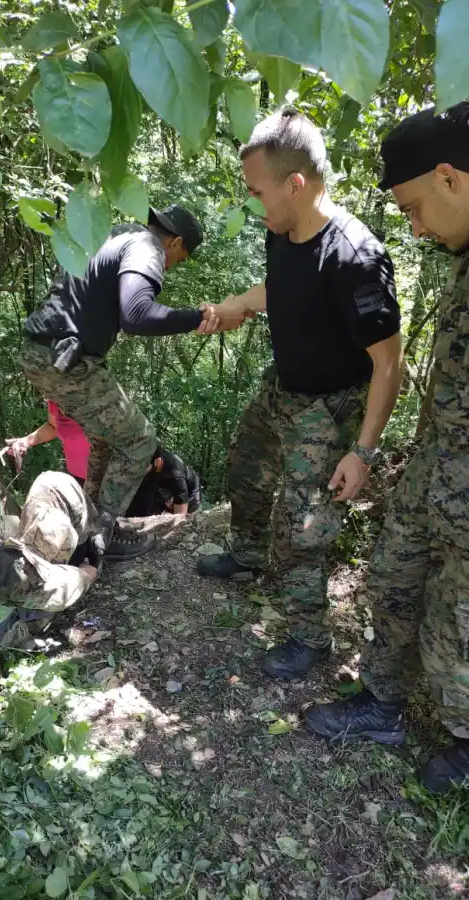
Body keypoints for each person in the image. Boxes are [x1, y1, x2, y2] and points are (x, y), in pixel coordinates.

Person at [197, 109, 404, 680]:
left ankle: (310, 638)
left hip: (329, 406)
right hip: (281, 386)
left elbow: (390, 364)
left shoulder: (356, 259)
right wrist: (236, 306)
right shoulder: (282, 228)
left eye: (257, 191)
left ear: (296, 184)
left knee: (304, 527)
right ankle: (244, 556)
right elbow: (279, 285)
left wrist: (361, 453)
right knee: (244, 468)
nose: (254, 203)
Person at [304, 103, 469, 794]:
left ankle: (465, 742)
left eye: (414, 208)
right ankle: (382, 701)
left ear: (450, 177)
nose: (415, 226)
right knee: (394, 573)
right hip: (441, 462)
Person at [17, 206, 217, 556]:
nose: (172, 266)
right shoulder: (147, 246)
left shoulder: (115, 234)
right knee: (140, 439)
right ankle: (99, 540)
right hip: (64, 357)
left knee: (106, 437)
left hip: (43, 351)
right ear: (176, 242)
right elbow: (136, 314)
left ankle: (87, 527)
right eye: (180, 259)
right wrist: (197, 319)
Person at [0, 470, 153, 648]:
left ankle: (97, 539)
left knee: (52, 483)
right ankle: (89, 558)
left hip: (0, 562)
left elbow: (5, 516)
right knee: (56, 509)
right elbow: (25, 581)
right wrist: (83, 577)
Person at [3, 400, 91, 483]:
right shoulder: (55, 397)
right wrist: (25, 442)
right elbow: (53, 427)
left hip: (103, 479)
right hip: (76, 477)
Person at [126, 445, 202, 517]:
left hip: (191, 498)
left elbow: (181, 508)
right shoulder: (151, 464)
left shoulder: (175, 473)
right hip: (166, 492)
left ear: (158, 462)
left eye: (143, 465)